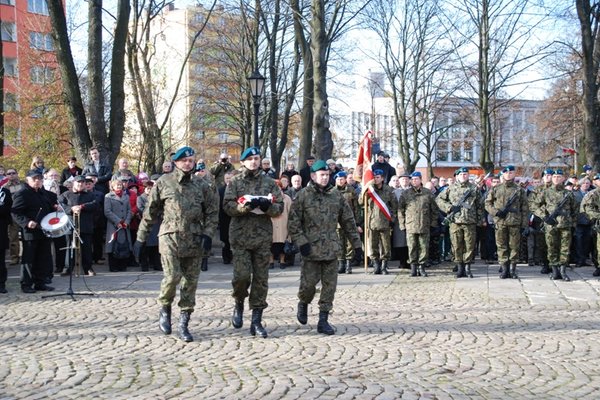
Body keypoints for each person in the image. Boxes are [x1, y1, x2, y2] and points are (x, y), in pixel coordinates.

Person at [135, 146, 218, 343]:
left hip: (195, 238)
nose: (188, 164)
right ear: (176, 162)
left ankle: (184, 322)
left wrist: (208, 234)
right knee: (172, 276)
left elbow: (212, 212)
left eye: (191, 161)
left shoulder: (202, 184)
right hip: (170, 236)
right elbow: (150, 212)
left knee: (190, 282)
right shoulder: (164, 182)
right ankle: (165, 308)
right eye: (184, 161)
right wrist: (140, 238)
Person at [288, 160, 363, 335]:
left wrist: (357, 246)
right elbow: (293, 222)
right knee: (308, 286)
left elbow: (348, 222)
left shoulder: (336, 196)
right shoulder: (303, 196)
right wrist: (301, 242)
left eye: (327, 175)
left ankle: (323, 320)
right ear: (313, 176)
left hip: (331, 249)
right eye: (322, 175)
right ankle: (303, 303)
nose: (325, 178)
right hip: (310, 250)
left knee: (329, 287)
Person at [223, 146, 284, 338]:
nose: (254, 162)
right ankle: (239, 302)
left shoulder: (269, 183)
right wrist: (243, 207)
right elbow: (227, 206)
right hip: (240, 237)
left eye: (257, 158)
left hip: (262, 237)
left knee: (261, 280)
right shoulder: (235, 182)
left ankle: (256, 320)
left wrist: (267, 207)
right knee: (241, 277)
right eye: (250, 159)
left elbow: (279, 208)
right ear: (242, 162)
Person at [11, 170, 58, 293]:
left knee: (43, 258)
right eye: (34, 179)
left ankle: (40, 283)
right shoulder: (22, 194)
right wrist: (27, 222)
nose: (38, 181)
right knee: (29, 259)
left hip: (45, 229)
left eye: (40, 178)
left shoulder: (44, 193)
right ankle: (26, 284)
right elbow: (15, 212)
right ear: (28, 180)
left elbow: (49, 207)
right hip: (30, 231)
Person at [436, 167, 484, 276]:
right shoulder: (450, 188)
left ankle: (467, 267)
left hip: (469, 221)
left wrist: (479, 219)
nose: (464, 176)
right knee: (456, 245)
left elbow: (480, 205)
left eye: (466, 174)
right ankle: (459, 267)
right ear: (457, 176)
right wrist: (450, 208)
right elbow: (439, 200)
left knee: (469, 245)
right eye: (461, 174)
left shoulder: (474, 189)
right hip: (455, 221)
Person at [484, 166, 529, 279]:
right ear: (502, 174)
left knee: (514, 247)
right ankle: (504, 269)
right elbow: (487, 204)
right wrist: (496, 212)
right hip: (500, 222)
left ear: (514, 174)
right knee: (501, 246)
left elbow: (525, 208)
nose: (509, 174)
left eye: (511, 172)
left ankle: (513, 269)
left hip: (515, 221)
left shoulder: (519, 190)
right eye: (507, 172)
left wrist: (524, 224)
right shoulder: (496, 188)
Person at [535, 169, 577, 281]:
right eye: (554, 177)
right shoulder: (546, 192)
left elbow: (575, 209)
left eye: (559, 176)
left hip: (565, 225)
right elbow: (535, 205)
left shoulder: (568, 193)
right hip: (550, 225)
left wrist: (571, 221)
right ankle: (555, 271)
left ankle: (563, 271)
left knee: (565, 249)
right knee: (551, 248)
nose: (556, 178)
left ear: (563, 178)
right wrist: (544, 217)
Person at [397, 172, 439, 277]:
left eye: (416, 179)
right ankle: (413, 268)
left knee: (424, 247)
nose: (414, 181)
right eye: (412, 179)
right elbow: (400, 210)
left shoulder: (427, 193)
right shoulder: (406, 194)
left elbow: (434, 209)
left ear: (421, 180)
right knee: (412, 247)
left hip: (424, 225)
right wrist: (402, 224)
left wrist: (433, 223)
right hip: (410, 225)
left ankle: (422, 267)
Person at [359, 169, 398, 274]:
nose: (375, 179)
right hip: (371, 223)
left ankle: (384, 266)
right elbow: (360, 202)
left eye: (377, 177)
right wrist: (364, 191)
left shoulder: (388, 190)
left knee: (386, 246)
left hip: (385, 222)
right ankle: (376, 266)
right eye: (374, 177)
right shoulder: (369, 190)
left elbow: (394, 206)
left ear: (382, 178)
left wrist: (392, 219)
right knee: (372, 245)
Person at [59, 176, 99, 276]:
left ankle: (88, 268)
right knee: (70, 247)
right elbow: (59, 205)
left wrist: (82, 207)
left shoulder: (91, 195)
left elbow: (95, 205)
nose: (80, 184)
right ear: (73, 183)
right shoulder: (66, 194)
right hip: (70, 224)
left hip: (85, 224)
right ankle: (68, 268)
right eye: (78, 182)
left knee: (87, 248)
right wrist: (71, 209)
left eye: (82, 183)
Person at [333, 171, 361, 274]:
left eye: (342, 179)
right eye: (338, 179)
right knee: (339, 243)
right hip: (337, 223)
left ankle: (349, 264)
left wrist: (357, 222)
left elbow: (356, 208)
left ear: (345, 179)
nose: (340, 181)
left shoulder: (351, 191)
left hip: (349, 221)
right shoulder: (332, 192)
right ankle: (341, 264)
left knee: (350, 243)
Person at [104, 179, 133, 272]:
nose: (119, 186)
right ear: (113, 186)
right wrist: (118, 222)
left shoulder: (126, 196)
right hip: (113, 225)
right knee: (113, 245)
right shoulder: (108, 196)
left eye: (120, 185)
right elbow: (107, 211)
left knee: (124, 244)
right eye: (117, 185)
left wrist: (127, 222)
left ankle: (123, 266)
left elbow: (129, 210)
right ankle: (113, 266)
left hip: (124, 225)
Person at [3, 168, 24, 265]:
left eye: (13, 173)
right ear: (6, 175)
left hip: (25, 212)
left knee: (26, 236)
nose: (11, 175)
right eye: (9, 173)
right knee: (13, 237)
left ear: (17, 174)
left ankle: (26, 256)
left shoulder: (24, 184)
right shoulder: (5, 187)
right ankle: (14, 257)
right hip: (13, 213)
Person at [581, 176, 600, 276]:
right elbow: (587, 209)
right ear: (595, 182)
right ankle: (598, 266)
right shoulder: (592, 194)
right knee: (596, 247)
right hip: (596, 224)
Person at [218, 171, 235, 264]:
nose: (228, 180)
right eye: (227, 178)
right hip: (224, 218)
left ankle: (233, 256)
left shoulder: (236, 189)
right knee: (225, 240)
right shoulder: (220, 190)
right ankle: (226, 257)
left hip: (234, 217)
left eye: (230, 178)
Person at [0, 185, 12, 293]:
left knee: (1, 260)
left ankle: (1, 284)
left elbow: (7, 210)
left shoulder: (5, 192)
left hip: (1, 229)